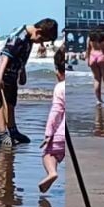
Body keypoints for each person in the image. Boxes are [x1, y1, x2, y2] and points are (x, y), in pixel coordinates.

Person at [0, 18, 59, 147]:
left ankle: (13, 131)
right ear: (38, 31)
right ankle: (2, 134)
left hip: (12, 72)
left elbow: (22, 56)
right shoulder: (20, 36)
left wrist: (22, 71)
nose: (40, 43)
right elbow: (6, 55)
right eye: (41, 40)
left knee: (11, 103)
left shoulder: (29, 38)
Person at [40, 47, 67, 192]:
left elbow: (56, 112)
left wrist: (48, 133)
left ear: (57, 70)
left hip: (61, 133)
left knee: (49, 154)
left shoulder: (60, 87)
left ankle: (52, 173)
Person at [86, 25, 104, 104]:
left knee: (96, 79)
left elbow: (88, 49)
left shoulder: (90, 38)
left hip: (92, 56)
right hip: (102, 56)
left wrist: (87, 60)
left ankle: (98, 100)